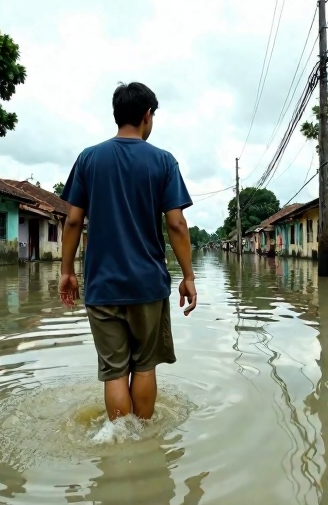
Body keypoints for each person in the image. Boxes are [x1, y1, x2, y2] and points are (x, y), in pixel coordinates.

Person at [58, 81, 197, 422]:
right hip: (148, 285)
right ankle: (144, 444)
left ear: (117, 115)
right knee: (145, 367)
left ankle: (119, 440)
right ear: (147, 116)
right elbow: (177, 224)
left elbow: (73, 221)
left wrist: (67, 271)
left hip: (102, 286)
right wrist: (189, 276)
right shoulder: (163, 162)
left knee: (114, 372)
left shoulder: (88, 159)